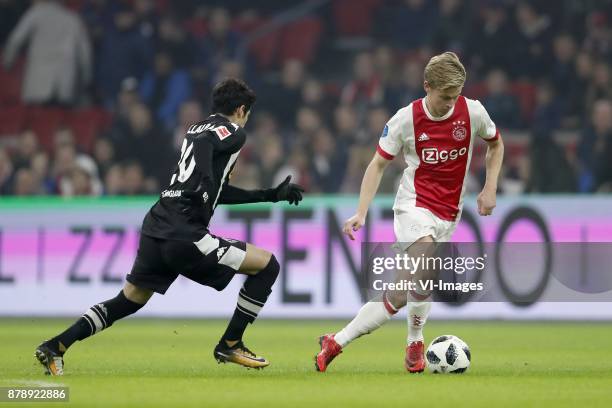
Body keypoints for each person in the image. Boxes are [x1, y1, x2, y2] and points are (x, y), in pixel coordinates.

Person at [35, 79, 304, 375]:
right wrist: (204, 180)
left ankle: (56, 346)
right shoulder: (233, 133)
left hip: (157, 224)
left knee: (130, 299)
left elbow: (217, 190)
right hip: (185, 233)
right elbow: (206, 164)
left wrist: (268, 195)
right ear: (241, 110)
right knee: (267, 265)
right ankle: (231, 342)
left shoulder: (196, 127)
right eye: (248, 113)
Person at [315, 52, 504, 373]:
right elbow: (376, 165)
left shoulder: (472, 112)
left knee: (402, 292)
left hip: (449, 213)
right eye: (445, 97)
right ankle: (414, 341)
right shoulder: (406, 119)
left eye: (455, 96)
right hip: (413, 206)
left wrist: (490, 188)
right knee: (427, 259)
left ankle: (339, 341)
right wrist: (361, 211)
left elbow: (496, 145)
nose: (449, 104)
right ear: (426, 86)